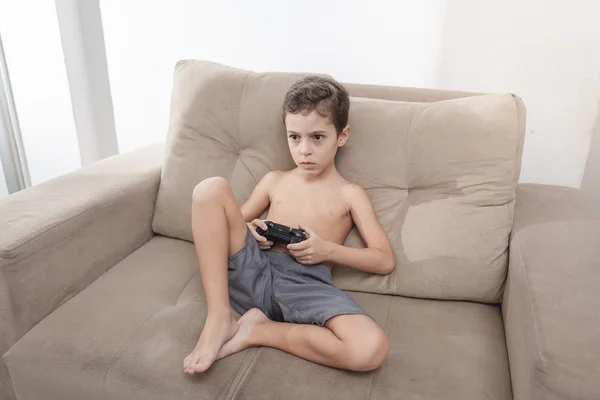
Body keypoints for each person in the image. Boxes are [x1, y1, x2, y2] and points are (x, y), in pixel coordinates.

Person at [183, 75, 395, 375]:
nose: (304, 150)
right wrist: (252, 230)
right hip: (252, 269)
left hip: (304, 285)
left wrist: (328, 251)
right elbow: (228, 222)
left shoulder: (351, 194)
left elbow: (384, 260)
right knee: (209, 190)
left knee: (370, 348)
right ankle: (220, 317)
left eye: (317, 137)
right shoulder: (275, 180)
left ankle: (258, 330)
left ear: (342, 135)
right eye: (294, 137)